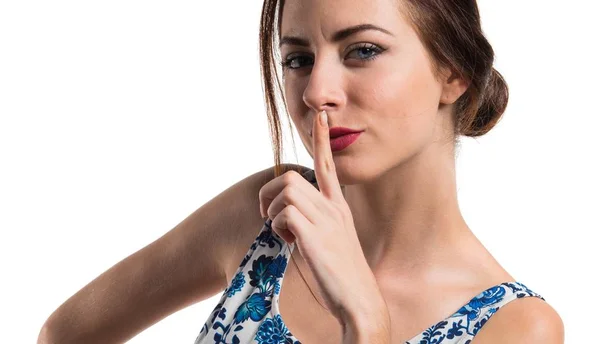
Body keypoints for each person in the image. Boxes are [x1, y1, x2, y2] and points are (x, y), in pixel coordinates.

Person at [38, 0, 564, 343]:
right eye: (297, 59)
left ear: (454, 73)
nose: (316, 92)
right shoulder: (265, 218)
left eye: (363, 51)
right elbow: (64, 336)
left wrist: (365, 321)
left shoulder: (514, 328)